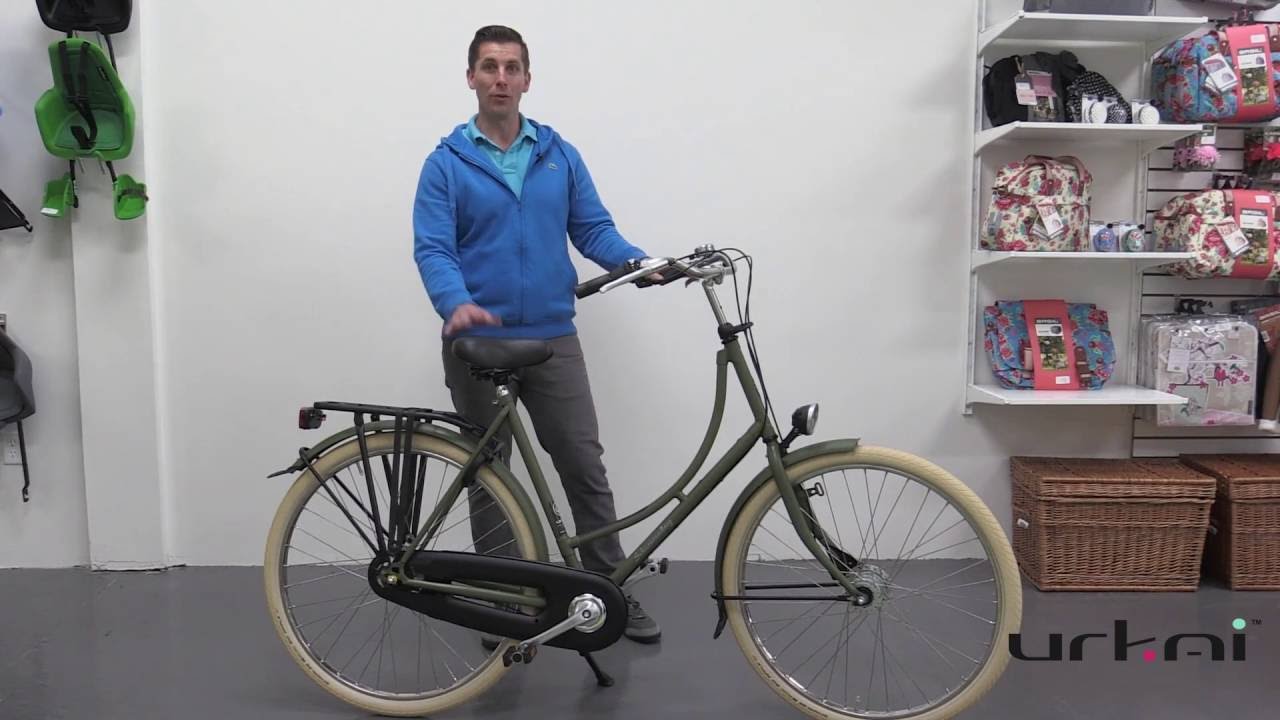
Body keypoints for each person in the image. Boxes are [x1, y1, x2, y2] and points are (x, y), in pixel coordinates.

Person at [412, 24, 661, 644]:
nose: (500, 78)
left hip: (552, 339)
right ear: (471, 77)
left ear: (527, 79)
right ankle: (498, 601)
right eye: (489, 67)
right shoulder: (445, 164)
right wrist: (456, 304)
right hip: (478, 343)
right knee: (487, 473)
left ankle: (610, 588)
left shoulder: (558, 155)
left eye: (512, 67)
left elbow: (593, 229)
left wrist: (635, 262)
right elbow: (434, 248)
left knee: (582, 463)